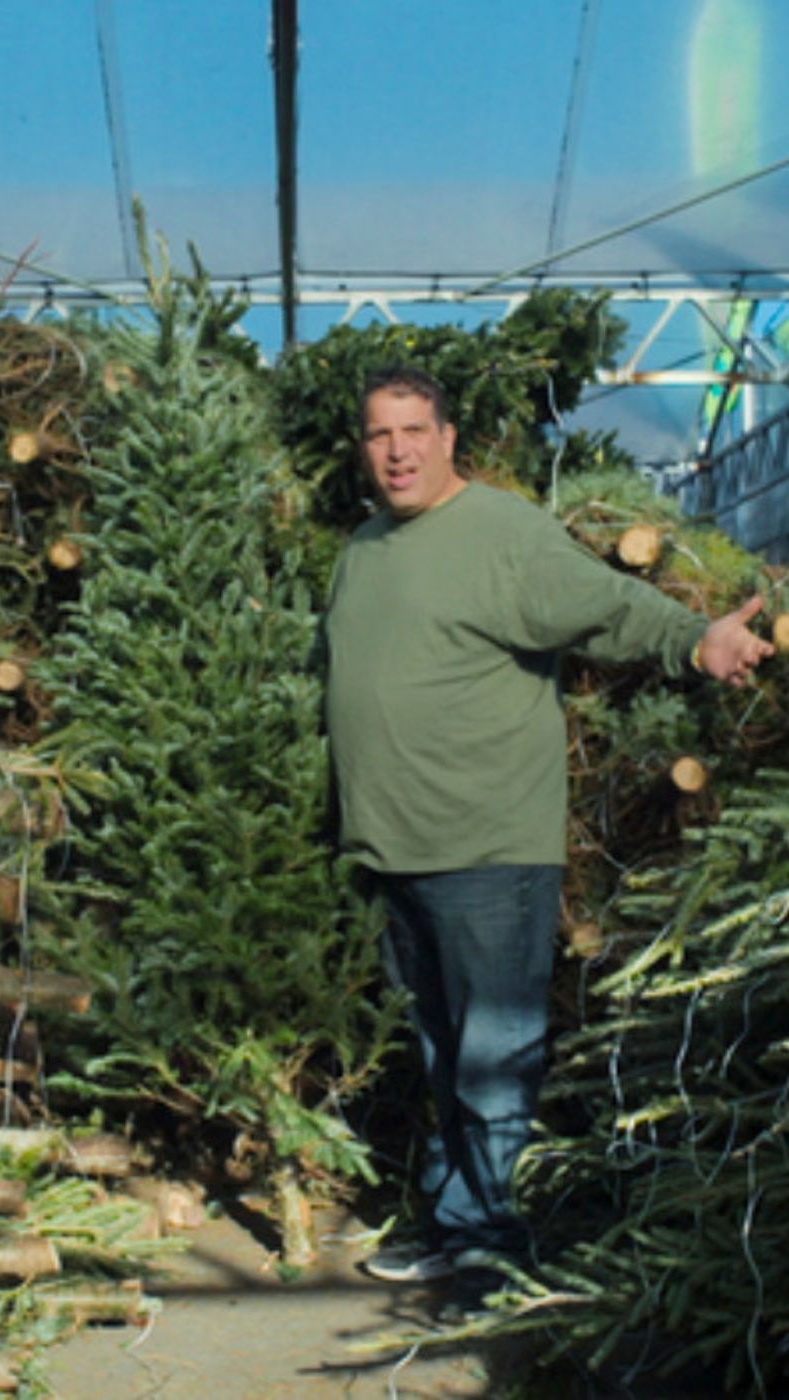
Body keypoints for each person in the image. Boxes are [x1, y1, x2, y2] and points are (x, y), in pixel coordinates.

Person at [322, 365, 774, 1287]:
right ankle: (455, 1223)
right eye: (379, 435)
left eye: (414, 431)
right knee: (443, 1053)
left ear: (448, 438)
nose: (397, 451)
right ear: (364, 449)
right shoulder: (364, 547)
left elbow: (605, 608)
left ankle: (485, 1245)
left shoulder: (502, 533)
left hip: (485, 848)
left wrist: (697, 641)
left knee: (491, 1057)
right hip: (398, 848)